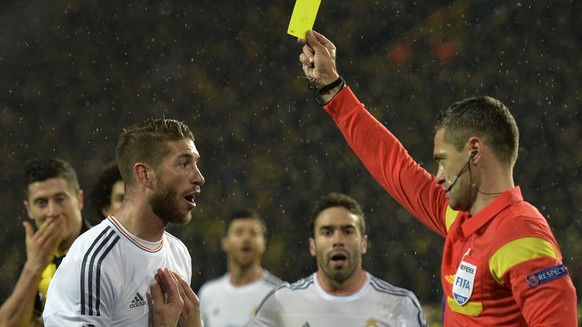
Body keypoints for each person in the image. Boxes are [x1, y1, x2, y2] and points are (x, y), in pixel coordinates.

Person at [297, 30, 577, 326]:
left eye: (442, 161)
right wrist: (332, 88)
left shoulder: (520, 235)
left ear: (474, 152)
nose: (439, 177)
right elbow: (393, 165)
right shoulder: (460, 218)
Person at [42, 118, 205, 326]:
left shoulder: (179, 253)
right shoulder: (94, 261)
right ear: (145, 175)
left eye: (195, 163)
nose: (199, 177)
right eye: (183, 164)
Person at [246, 192, 427, 327]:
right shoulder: (283, 302)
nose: (338, 240)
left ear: (363, 244)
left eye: (348, 231)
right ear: (313, 245)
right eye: (327, 232)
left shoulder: (400, 305)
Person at [0, 157, 90, 327]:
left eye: (60, 199)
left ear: (79, 200)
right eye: (42, 203)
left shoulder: (102, 251)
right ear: (29, 210)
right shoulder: (34, 262)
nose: (52, 211)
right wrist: (33, 268)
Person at [198, 208, 282, 326]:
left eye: (253, 233)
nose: (246, 238)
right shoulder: (208, 294)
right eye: (238, 232)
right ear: (225, 242)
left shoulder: (278, 294)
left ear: (264, 243)